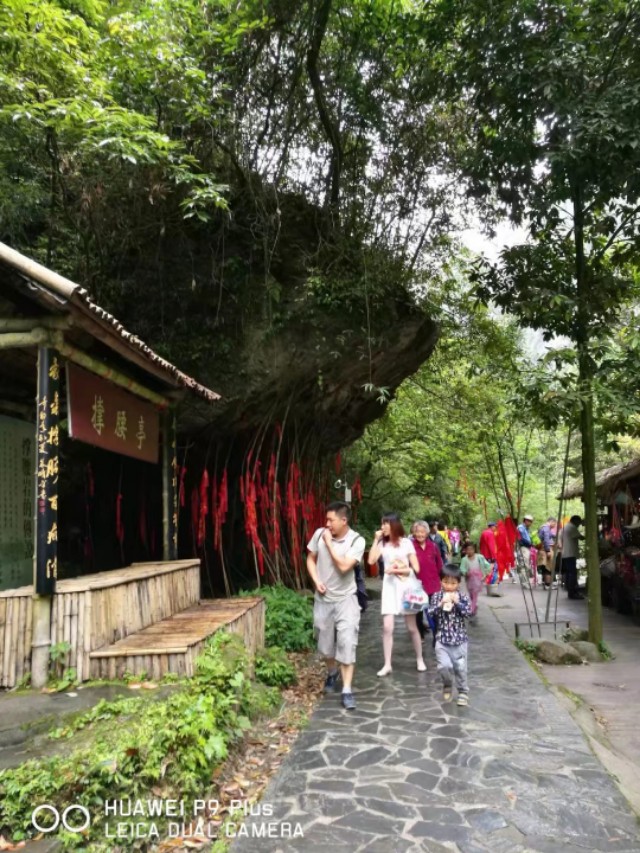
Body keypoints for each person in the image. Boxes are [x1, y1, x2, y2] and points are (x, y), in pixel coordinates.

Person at [306, 501, 365, 711]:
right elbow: (310, 558)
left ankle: (347, 689)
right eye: (326, 520)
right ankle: (332, 672)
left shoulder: (356, 541)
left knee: (347, 643)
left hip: (346, 600)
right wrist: (316, 580)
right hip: (324, 600)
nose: (327, 524)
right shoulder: (319, 533)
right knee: (325, 647)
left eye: (331, 520)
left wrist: (329, 544)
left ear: (343, 520)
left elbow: (343, 567)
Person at [368, 513, 425, 676]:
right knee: (387, 627)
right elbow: (371, 561)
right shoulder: (382, 544)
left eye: (385, 524)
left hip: (406, 586)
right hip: (389, 587)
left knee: (412, 627)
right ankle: (387, 664)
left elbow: (416, 568)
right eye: (381, 524)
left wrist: (397, 570)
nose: (382, 527)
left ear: (394, 525)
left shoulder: (406, 543)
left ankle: (420, 658)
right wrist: (375, 540)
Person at [426, 564, 473, 706]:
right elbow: (430, 613)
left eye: (453, 583)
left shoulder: (463, 596)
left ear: (459, 583)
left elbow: (468, 613)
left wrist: (457, 602)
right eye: (446, 582)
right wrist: (441, 604)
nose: (449, 586)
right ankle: (447, 683)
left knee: (460, 668)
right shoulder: (436, 596)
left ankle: (463, 691)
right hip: (442, 639)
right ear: (441, 581)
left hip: (459, 640)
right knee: (443, 666)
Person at [410, 520, 443, 638]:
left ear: (427, 533)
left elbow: (439, 565)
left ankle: (437, 636)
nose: (420, 534)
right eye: (417, 532)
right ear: (414, 533)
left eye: (422, 532)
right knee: (418, 613)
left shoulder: (433, 546)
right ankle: (420, 636)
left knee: (435, 612)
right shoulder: (410, 547)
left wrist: (442, 580)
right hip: (416, 586)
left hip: (433, 585)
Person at [459, 542, 492, 618]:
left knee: (475, 594)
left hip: (478, 579)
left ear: (474, 550)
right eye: (468, 550)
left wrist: (486, 573)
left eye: (471, 549)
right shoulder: (464, 559)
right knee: (471, 594)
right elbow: (462, 569)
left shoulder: (480, 557)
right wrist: (466, 573)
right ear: (465, 551)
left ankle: (472, 609)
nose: (470, 551)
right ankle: (474, 605)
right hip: (469, 580)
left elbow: (487, 565)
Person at [561, 515, 585, 600]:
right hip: (570, 553)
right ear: (575, 521)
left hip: (566, 553)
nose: (579, 524)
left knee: (569, 573)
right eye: (579, 522)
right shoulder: (571, 527)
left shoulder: (566, 527)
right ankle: (572, 592)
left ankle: (570, 590)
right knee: (572, 573)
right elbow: (581, 537)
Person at [537, 517, 557, 590]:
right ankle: (548, 585)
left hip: (542, 550)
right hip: (545, 550)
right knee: (548, 567)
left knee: (545, 567)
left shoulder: (542, 527)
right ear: (552, 522)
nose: (554, 525)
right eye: (554, 524)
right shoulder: (546, 528)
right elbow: (546, 540)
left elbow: (551, 535)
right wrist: (548, 550)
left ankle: (545, 584)